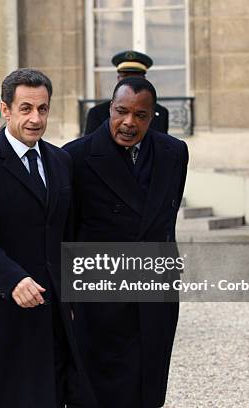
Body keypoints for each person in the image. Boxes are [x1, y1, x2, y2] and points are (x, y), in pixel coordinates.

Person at [0, 68, 93, 408]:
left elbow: (66, 233)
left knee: (50, 394)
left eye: (42, 109)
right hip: (0, 306)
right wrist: (13, 280)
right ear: (6, 109)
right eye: (26, 108)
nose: (35, 118)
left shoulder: (61, 161)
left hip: (51, 309)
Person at [63, 77, 188, 408]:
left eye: (140, 115)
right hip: (99, 291)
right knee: (97, 387)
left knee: (149, 380)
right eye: (121, 112)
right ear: (109, 109)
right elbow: (66, 231)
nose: (129, 123)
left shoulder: (174, 152)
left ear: (152, 117)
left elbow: (167, 217)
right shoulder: (75, 157)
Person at [84, 50, 169, 135]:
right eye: (125, 76)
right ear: (118, 79)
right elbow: (90, 146)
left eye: (136, 77)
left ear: (144, 79)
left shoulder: (161, 113)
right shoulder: (97, 113)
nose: (130, 81)